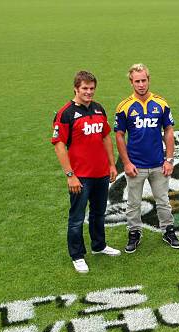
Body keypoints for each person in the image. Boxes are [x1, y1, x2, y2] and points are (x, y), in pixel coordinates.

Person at [52, 70, 120, 274]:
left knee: (99, 213)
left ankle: (99, 246)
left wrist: (111, 164)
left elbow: (106, 137)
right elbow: (59, 145)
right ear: (76, 88)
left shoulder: (99, 109)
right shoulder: (66, 113)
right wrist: (70, 175)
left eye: (91, 88)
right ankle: (77, 255)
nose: (89, 92)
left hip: (100, 173)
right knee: (77, 218)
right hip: (80, 177)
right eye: (85, 89)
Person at [114, 63, 179, 253]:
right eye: (137, 81)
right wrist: (126, 163)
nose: (141, 84)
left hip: (159, 164)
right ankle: (134, 232)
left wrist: (169, 160)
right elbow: (119, 135)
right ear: (131, 82)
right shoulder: (124, 107)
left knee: (163, 200)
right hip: (136, 165)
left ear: (149, 79)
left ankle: (168, 230)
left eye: (144, 80)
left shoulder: (161, 103)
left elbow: (168, 130)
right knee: (133, 202)